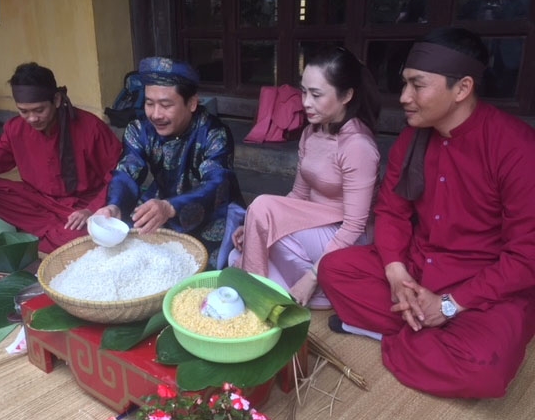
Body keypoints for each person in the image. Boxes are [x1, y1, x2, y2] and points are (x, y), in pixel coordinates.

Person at [318, 27, 535, 398]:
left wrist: (450, 305)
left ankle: (401, 333)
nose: (404, 97)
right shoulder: (412, 138)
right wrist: (396, 272)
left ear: (462, 88)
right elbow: (391, 211)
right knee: (334, 270)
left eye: (417, 85)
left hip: (483, 289)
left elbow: (526, 254)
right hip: (417, 271)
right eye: (404, 83)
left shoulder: (517, 148)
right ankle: (427, 332)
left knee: (485, 372)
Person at [229, 47, 381, 309]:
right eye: (304, 92)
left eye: (316, 95)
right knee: (236, 254)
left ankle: (311, 286)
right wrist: (256, 226)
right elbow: (298, 196)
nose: (306, 102)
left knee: (262, 211)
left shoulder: (357, 145)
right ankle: (310, 293)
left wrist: (312, 276)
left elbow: (355, 225)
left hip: (345, 237)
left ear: (346, 95)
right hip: (312, 228)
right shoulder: (311, 133)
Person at [95, 57, 243, 268]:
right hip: (162, 198)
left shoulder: (214, 134)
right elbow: (128, 170)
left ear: (192, 103)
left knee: (204, 265)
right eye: (149, 103)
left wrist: (171, 207)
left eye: (166, 105)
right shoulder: (139, 130)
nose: (156, 115)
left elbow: (217, 184)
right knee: (125, 245)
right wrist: (115, 205)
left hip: (211, 209)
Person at [0, 62, 122, 253]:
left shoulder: (91, 128)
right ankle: (57, 234)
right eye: (24, 111)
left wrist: (91, 209)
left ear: (56, 100)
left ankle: (49, 235)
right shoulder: (16, 129)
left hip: (81, 205)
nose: (32, 118)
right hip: (39, 200)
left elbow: (119, 175)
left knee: (93, 233)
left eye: (39, 110)